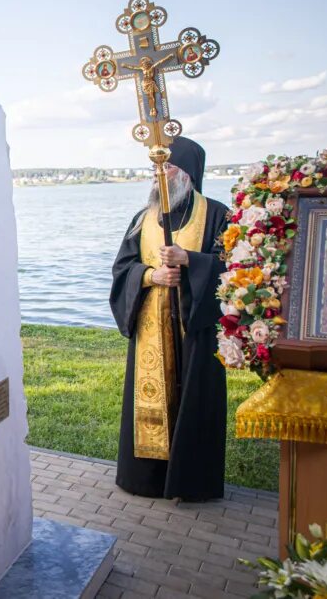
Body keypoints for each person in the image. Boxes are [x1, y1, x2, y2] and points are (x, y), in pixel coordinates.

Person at [109, 136, 229, 501]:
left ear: (188, 173)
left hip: (194, 330)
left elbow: (234, 270)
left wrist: (191, 261)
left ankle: (189, 481)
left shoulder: (217, 214)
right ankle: (147, 479)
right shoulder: (143, 218)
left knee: (194, 399)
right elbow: (122, 268)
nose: (158, 175)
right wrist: (150, 276)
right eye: (155, 168)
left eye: (167, 166)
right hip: (151, 326)